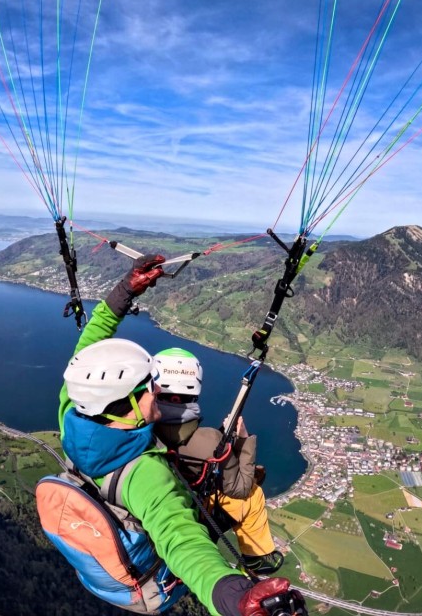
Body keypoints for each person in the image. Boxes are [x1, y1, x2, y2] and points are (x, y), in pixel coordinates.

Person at [58, 255, 304, 616]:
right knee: (245, 500)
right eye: (149, 388)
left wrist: (125, 290)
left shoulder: (73, 411)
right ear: (126, 399)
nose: (157, 391)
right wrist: (236, 599)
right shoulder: (144, 475)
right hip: (149, 573)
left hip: (98, 545)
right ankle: (258, 558)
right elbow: (183, 542)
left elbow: (86, 352)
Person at [151, 348, 284, 574]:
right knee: (252, 495)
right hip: (194, 515)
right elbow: (239, 488)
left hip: (155, 509)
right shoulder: (211, 440)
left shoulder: (141, 428)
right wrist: (243, 439)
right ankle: (256, 558)